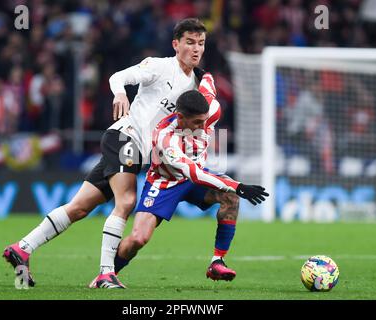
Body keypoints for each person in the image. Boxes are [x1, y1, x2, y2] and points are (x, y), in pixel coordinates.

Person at [3, 18, 208, 289]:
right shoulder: (159, 66)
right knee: (126, 201)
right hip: (125, 138)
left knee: (79, 208)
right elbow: (118, 77)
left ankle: (23, 248)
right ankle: (105, 273)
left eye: (201, 43)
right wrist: (120, 94)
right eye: (190, 42)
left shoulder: (196, 83)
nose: (196, 49)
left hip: (136, 149)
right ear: (176, 44)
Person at [105, 73, 269, 288]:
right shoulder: (165, 136)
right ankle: (108, 274)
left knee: (230, 198)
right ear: (180, 117)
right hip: (165, 182)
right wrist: (239, 186)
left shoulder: (210, 111)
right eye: (197, 122)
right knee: (138, 239)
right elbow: (193, 173)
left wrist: (204, 73)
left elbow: (209, 84)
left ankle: (217, 261)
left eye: (205, 120)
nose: (203, 127)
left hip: (195, 176)